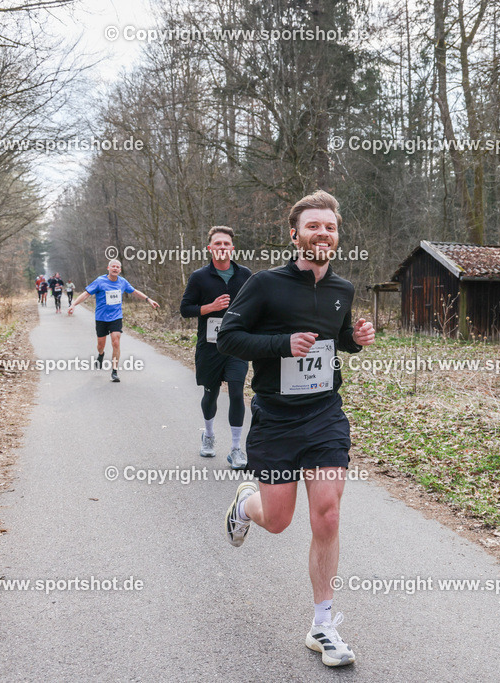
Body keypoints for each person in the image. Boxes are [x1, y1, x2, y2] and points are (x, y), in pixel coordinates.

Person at [217, 190, 375, 667]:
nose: (321, 234)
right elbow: (229, 336)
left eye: (329, 227)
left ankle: (323, 626)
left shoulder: (342, 289)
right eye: (313, 227)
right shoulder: (266, 284)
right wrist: (283, 344)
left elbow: (337, 339)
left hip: (324, 414)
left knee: (326, 514)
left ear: (336, 235)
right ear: (295, 234)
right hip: (276, 416)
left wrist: (357, 339)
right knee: (280, 520)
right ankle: (246, 504)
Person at [179, 226, 252, 468]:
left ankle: (235, 449)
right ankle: (208, 436)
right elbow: (185, 309)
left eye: (226, 244)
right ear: (210, 248)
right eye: (217, 244)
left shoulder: (245, 275)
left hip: (237, 345)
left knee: (236, 392)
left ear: (233, 248)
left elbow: (256, 306)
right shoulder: (199, 277)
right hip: (209, 346)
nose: (222, 248)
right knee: (210, 394)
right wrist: (209, 307)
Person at [68, 259, 159, 382]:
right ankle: (101, 355)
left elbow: (134, 292)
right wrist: (74, 304)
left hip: (116, 317)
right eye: (113, 267)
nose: (115, 269)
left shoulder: (122, 282)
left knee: (116, 341)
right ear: (108, 268)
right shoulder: (100, 281)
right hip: (101, 317)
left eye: (117, 267)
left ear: (120, 270)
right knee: (101, 344)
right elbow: (86, 294)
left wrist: (148, 299)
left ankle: (114, 371)